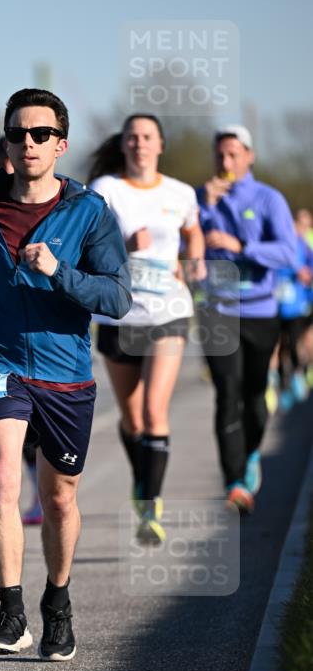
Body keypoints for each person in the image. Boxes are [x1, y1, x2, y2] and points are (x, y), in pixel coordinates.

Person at [0, 88, 131, 661]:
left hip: (67, 373)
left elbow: (117, 297)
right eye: (18, 133)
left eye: (40, 134)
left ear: (61, 145)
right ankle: (10, 610)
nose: (28, 143)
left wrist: (61, 272)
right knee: (1, 476)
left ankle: (58, 602)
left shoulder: (90, 212)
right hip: (1, 362)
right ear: (7, 142)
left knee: (60, 498)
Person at [88, 115, 206, 544]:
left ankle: (150, 507)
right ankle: (144, 482)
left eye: (147, 137)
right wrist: (123, 246)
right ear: (124, 145)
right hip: (120, 315)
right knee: (132, 418)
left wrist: (194, 264)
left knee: (156, 411)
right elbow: (87, 245)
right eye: (132, 137)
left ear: (161, 144)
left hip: (168, 311)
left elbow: (194, 234)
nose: (139, 143)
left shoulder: (180, 193)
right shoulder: (105, 190)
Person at [196, 124, 298, 513]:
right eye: (220, 155)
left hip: (260, 310)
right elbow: (184, 244)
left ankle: (252, 453)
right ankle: (235, 482)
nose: (226, 162)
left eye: (234, 154)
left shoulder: (269, 199)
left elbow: (288, 253)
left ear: (249, 156)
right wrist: (204, 207)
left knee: (255, 396)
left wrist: (242, 246)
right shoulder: (201, 199)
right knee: (227, 393)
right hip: (217, 310)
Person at [0, 136, 43, 526]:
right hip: (4, 352)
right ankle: (36, 495)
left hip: (52, 349)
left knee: (43, 439)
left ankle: (49, 493)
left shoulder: (61, 206)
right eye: (4, 159)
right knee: (11, 449)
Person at [273, 207, 313, 408]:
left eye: (307, 225)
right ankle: (282, 383)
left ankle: (298, 374)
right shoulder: (282, 242)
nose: (303, 229)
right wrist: (295, 270)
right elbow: (275, 265)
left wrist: (307, 277)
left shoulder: (305, 246)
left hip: (298, 304)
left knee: (297, 342)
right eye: (301, 224)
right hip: (278, 303)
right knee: (280, 346)